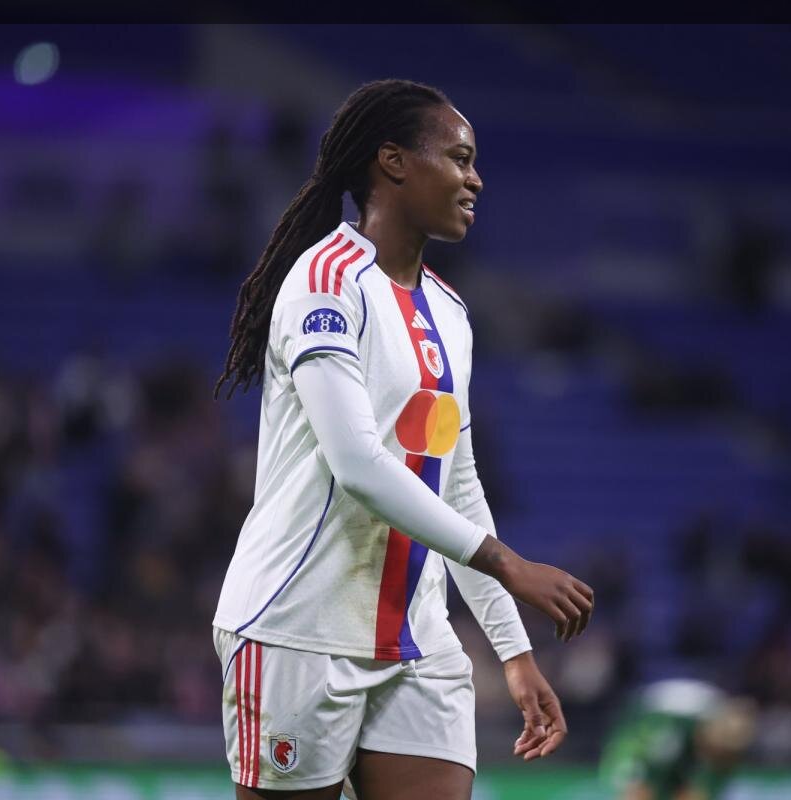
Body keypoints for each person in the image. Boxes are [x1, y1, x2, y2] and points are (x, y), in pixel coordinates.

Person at [210, 79, 595, 800]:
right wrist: (508, 564)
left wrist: (512, 651)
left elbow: (457, 482)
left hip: (417, 643)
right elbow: (357, 463)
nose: (475, 179)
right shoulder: (325, 283)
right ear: (393, 162)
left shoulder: (449, 312)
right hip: (299, 629)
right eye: (459, 158)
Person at [599, 679, 758, 800]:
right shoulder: (671, 736)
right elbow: (642, 788)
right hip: (639, 740)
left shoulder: (728, 753)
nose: (721, 750)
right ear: (710, 728)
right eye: (722, 742)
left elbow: (704, 792)